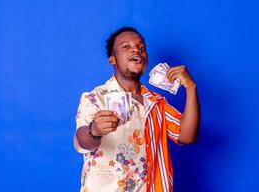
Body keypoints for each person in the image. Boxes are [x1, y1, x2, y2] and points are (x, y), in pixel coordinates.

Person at [74, 27, 200, 192]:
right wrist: (94, 130)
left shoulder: (156, 102)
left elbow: (187, 136)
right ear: (112, 59)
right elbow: (81, 142)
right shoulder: (95, 98)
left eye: (141, 48)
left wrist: (191, 87)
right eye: (126, 46)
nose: (136, 50)